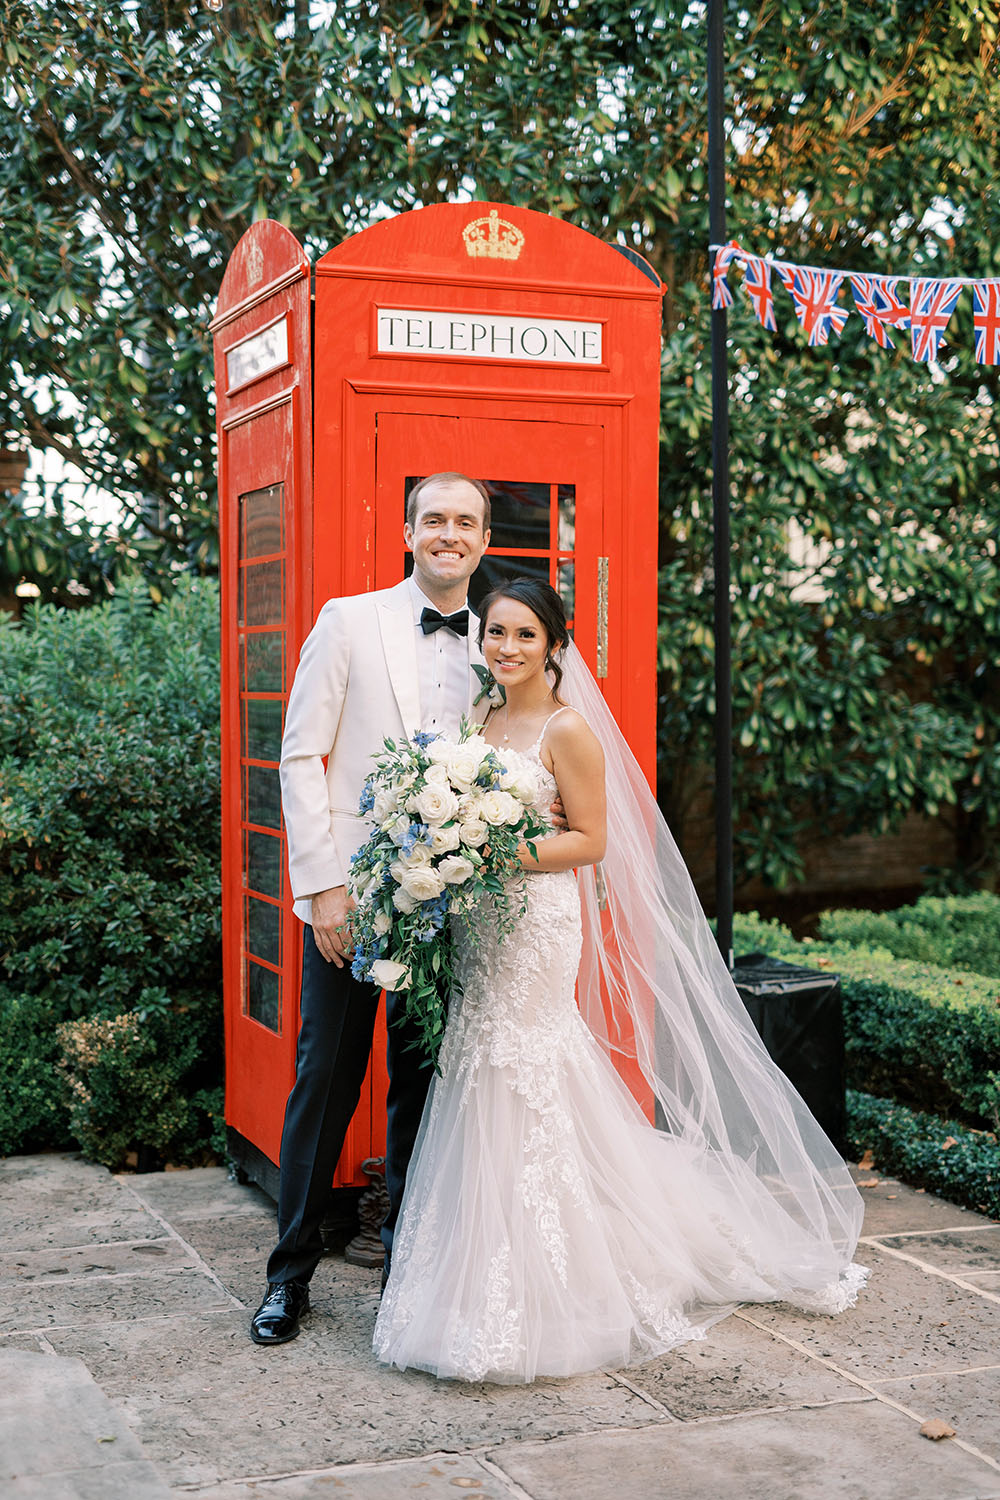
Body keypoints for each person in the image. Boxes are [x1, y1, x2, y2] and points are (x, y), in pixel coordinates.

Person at [374, 578, 867, 1384]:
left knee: (530, 1065)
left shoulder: (568, 731)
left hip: (536, 925)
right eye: (495, 633)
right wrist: (441, 854)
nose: (506, 648)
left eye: (525, 635)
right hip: (478, 925)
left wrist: (486, 853)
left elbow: (591, 842)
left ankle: (562, 1278)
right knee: (475, 1065)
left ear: (555, 646)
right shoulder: (475, 719)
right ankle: (477, 1268)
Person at [250, 472, 493, 1345]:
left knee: (424, 1086)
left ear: (483, 540)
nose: (449, 534)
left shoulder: (499, 640)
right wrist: (321, 887)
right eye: (435, 519)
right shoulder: (348, 620)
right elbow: (300, 755)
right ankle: (288, 1278)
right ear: (407, 531)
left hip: (452, 901)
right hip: (351, 896)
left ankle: (407, 1275)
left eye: (465, 522)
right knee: (326, 1079)